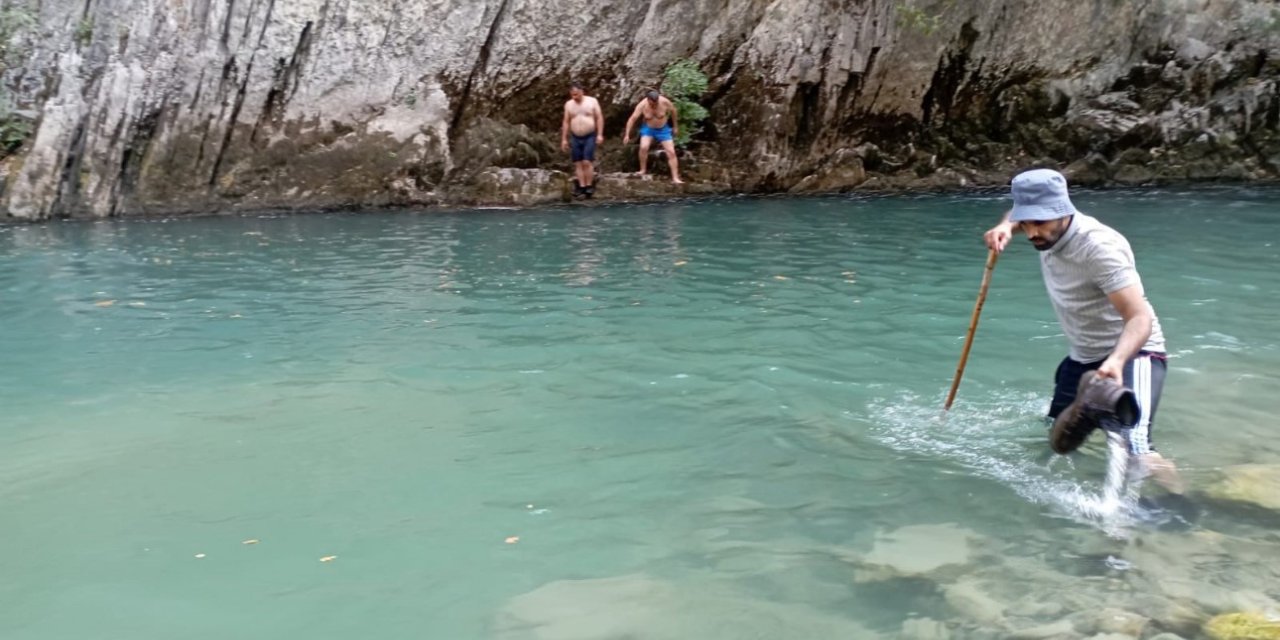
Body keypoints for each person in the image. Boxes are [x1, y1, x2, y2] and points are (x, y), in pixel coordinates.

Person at [983, 168, 1183, 494]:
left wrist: (1117, 361)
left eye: (1041, 222)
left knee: (1138, 450)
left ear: (1063, 208)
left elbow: (1139, 317)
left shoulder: (1099, 247)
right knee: (1056, 434)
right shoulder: (1038, 226)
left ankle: (1180, 507)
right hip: (1083, 356)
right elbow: (1020, 216)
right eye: (1027, 221)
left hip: (1134, 353)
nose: (1033, 232)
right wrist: (1006, 226)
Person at [622, 89, 683, 184]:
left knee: (671, 152)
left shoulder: (664, 102)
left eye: (656, 103)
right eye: (652, 104)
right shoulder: (642, 105)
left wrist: (675, 126)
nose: (654, 105)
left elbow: (674, 111)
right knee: (643, 147)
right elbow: (632, 119)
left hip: (663, 130)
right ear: (648, 100)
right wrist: (627, 134)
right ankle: (642, 170)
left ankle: (675, 178)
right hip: (648, 129)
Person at [561, 82, 604, 198]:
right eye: (572, 95)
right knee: (578, 162)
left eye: (576, 94)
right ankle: (582, 186)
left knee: (587, 161)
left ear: (582, 92)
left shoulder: (592, 101)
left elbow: (599, 117)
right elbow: (566, 121)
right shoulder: (569, 105)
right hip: (575, 136)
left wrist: (600, 134)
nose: (574, 97)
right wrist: (564, 139)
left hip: (589, 135)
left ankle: (589, 185)